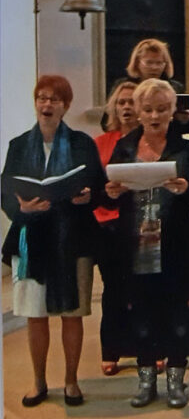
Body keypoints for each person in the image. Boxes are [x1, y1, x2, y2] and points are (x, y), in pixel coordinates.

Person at [1, 75, 105, 408]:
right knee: (35, 314)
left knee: (72, 314)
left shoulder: (81, 143)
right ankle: (38, 381)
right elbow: (6, 189)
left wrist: (86, 196)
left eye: (54, 100)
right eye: (41, 98)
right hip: (32, 238)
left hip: (72, 238)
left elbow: (97, 185)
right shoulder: (18, 145)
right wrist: (22, 207)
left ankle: (72, 381)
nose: (47, 105)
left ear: (66, 106)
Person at [104, 78, 189, 409]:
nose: (154, 116)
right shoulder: (125, 145)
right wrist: (113, 193)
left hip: (175, 243)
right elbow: (111, 193)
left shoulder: (186, 146)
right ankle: (145, 380)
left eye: (162, 109)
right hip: (135, 243)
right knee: (142, 316)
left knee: (177, 316)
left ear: (172, 110)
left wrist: (184, 189)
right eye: (147, 109)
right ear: (136, 110)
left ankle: (176, 382)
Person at [93, 80, 141, 376]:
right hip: (107, 224)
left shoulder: (149, 141)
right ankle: (111, 349)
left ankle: (148, 348)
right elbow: (92, 185)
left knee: (143, 290)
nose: (126, 107)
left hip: (140, 222)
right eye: (121, 102)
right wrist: (106, 190)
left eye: (131, 102)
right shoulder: (100, 142)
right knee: (113, 290)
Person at [103, 38, 189, 134]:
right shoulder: (123, 87)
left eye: (159, 63)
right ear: (137, 63)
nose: (154, 67)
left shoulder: (175, 88)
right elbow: (107, 122)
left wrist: (185, 119)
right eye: (149, 63)